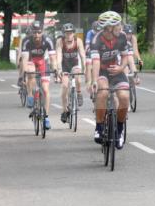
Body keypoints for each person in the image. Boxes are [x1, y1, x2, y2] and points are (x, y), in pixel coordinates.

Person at [89, 11, 132, 149]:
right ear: (108, 28)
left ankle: (119, 130)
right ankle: (99, 127)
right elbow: (95, 62)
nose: (120, 27)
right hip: (102, 71)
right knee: (102, 92)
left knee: (125, 97)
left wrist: (121, 68)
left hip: (116, 71)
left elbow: (125, 57)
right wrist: (94, 81)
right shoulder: (96, 40)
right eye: (117, 25)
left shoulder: (122, 37)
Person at [19, 20, 56, 130]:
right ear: (31, 32)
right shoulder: (26, 40)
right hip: (31, 61)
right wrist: (23, 75)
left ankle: (46, 118)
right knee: (30, 72)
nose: (36, 35)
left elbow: (53, 58)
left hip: (42, 62)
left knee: (45, 90)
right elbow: (24, 59)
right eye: (34, 32)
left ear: (42, 31)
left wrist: (55, 69)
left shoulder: (48, 40)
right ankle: (30, 95)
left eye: (39, 32)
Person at [55, 23, 85, 123]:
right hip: (64, 66)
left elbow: (82, 55)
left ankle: (79, 93)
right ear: (64, 34)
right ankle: (64, 111)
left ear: (73, 33)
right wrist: (59, 69)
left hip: (74, 65)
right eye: (66, 33)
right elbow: (58, 56)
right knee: (64, 87)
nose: (69, 35)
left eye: (70, 33)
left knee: (78, 79)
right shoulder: (60, 41)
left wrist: (84, 68)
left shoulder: (78, 41)